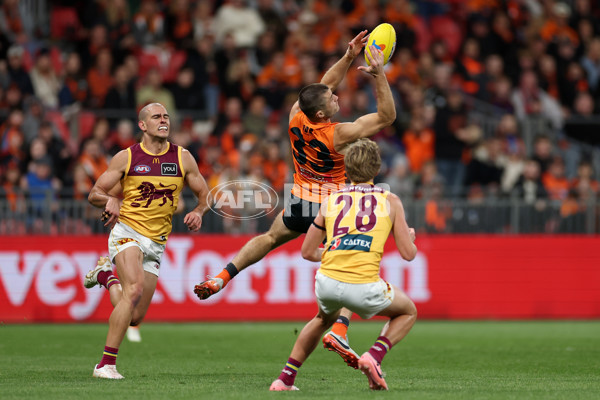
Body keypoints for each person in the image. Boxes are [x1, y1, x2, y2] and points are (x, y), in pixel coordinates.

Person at [194, 31, 396, 368]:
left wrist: (348, 56)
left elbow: (321, 86)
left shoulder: (295, 115)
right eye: (333, 100)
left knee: (271, 237)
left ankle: (223, 277)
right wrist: (379, 75)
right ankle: (342, 330)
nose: (337, 99)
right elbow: (386, 117)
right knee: (355, 266)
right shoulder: (337, 133)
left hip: (301, 198)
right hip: (332, 207)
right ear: (321, 115)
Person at [269, 139, 418, 391]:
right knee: (408, 311)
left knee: (320, 319)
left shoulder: (331, 200)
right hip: (363, 285)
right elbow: (408, 254)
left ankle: (284, 380)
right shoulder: (390, 200)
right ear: (377, 168)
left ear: (346, 170)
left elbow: (307, 251)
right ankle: (374, 356)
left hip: (326, 282)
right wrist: (410, 238)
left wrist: (332, 251)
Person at [84, 102, 210, 379]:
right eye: (156, 117)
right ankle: (105, 365)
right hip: (127, 230)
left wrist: (199, 211)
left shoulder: (183, 157)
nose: (163, 120)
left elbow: (205, 194)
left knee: (135, 316)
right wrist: (112, 199)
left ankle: (106, 277)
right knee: (135, 289)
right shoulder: (126, 157)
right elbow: (94, 193)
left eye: (166, 116)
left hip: (157, 241)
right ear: (143, 125)